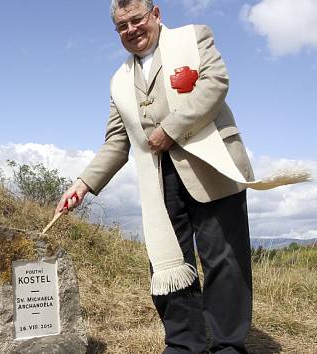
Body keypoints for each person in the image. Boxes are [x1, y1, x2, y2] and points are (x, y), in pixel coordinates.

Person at [56, 1, 255, 353]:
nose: (131, 30)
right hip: (160, 180)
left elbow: (215, 83)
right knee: (169, 264)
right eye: (122, 26)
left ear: (156, 14)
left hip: (213, 167)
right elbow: (117, 142)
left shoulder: (194, 38)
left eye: (136, 19)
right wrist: (82, 184)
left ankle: (227, 346)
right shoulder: (119, 81)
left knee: (223, 260)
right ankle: (183, 344)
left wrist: (172, 129)